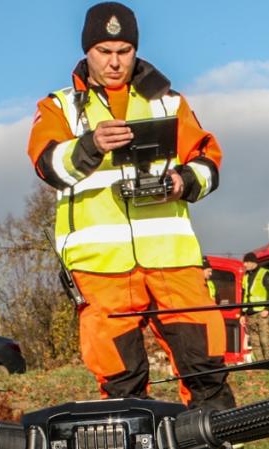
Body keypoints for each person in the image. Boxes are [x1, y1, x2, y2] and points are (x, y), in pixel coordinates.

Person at [26, 2, 235, 410]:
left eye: (124, 51)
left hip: (173, 260)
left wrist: (184, 180)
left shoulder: (169, 102)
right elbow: (46, 165)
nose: (115, 61)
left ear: (135, 51)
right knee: (122, 385)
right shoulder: (60, 107)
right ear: (87, 51)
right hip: (100, 267)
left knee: (206, 370)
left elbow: (209, 161)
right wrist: (90, 145)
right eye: (104, 51)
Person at [240, 252, 269, 361]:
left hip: (262, 313)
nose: (244, 265)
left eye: (246, 262)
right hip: (250, 314)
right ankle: (260, 365)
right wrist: (242, 314)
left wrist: (267, 309)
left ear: (252, 262)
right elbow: (244, 295)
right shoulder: (246, 276)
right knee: (255, 343)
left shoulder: (265, 273)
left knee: (265, 341)